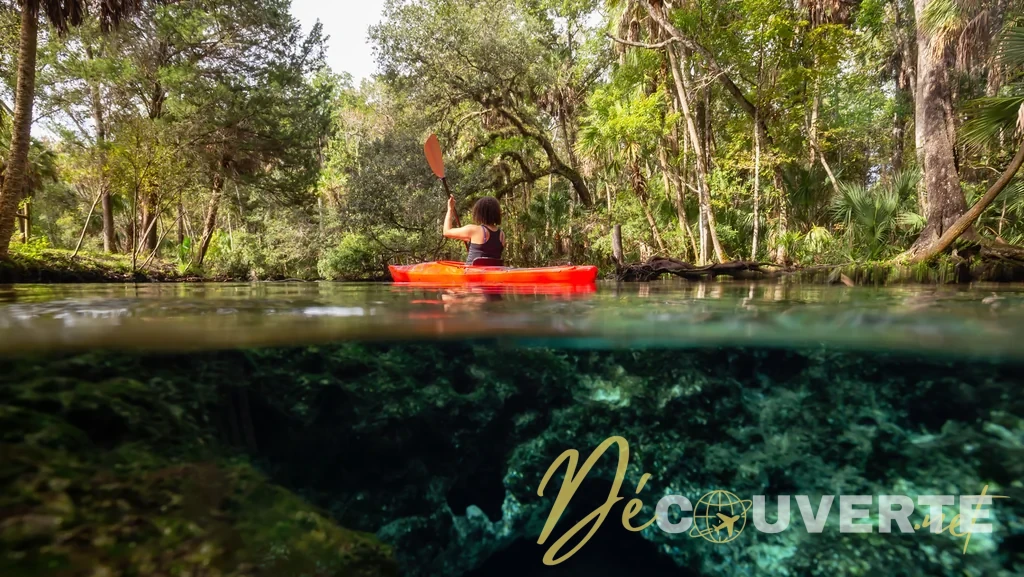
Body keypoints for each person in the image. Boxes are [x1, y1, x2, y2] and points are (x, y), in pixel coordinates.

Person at [443, 195, 505, 265]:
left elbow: (446, 231)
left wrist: (450, 209)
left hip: (472, 271)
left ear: (480, 213)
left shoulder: (474, 230)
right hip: (492, 271)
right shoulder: (502, 235)